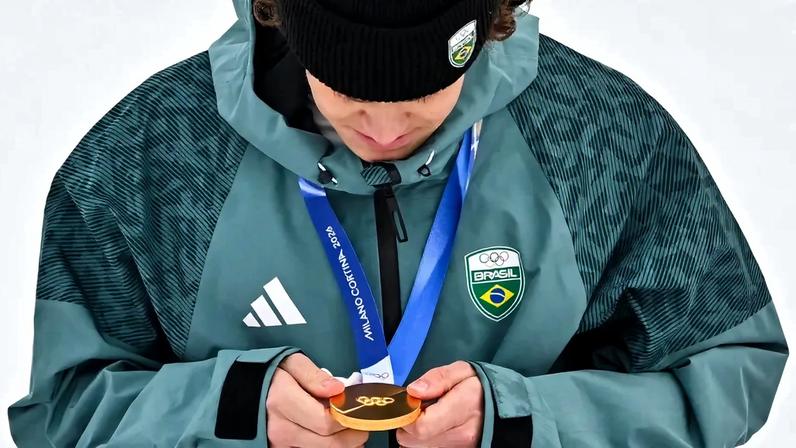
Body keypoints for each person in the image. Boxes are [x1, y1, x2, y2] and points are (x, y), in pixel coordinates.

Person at [8, 0, 788, 446]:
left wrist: (525, 422)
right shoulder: (151, 153)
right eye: (348, 94)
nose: (383, 132)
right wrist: (231, 408)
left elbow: (727, 368)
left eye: (421, 96)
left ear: (488, 27)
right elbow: (62, 410)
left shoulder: (601, 136)